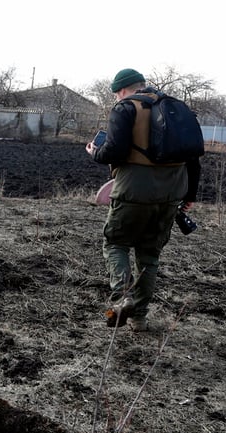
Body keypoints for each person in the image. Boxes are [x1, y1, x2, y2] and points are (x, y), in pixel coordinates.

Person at [86, 68, 200, 331]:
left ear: (123, 90)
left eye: (116, 93)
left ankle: (122, 297)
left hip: (133, 192)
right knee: (149, 256)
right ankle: (140, 319)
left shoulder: (126, 108)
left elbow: (112, 151)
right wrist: (189, 195)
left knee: (116, 243)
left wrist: (94, 152)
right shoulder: (177, 109)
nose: (116, 98)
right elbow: (193, 158)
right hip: (171, 194)